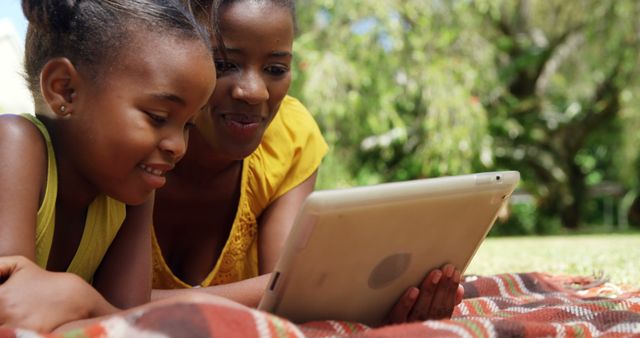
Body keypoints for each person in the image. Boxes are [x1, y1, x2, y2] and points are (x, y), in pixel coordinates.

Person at [151, 0, 463, 324]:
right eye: (223, 65)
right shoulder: (135, 147)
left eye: (275, 69)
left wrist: (389, 302)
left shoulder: (289, 138)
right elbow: (287, 290)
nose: (253, 92)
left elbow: (288, 298)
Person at [0, 0, 216, 332]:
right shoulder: (15, 143)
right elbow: (12, 309)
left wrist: (81, 299)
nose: (179, 146)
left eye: (188, 125)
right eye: (158, 118)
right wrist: (87, 304)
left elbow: (129, 322)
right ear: (65, 90)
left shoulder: (132, 193)